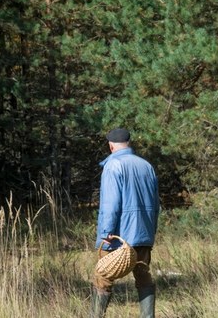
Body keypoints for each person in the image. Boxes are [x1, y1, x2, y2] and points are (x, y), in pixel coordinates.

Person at [90, 128, 160, 318]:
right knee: (143, 277)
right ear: (128, 143)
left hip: (117, 237)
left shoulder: (113, 165)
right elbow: (156, 205)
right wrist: (150, 231)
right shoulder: (147, 166)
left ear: (110, 145)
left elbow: (111, 205)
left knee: (102, 278)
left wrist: (106, 233)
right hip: (143, 234)